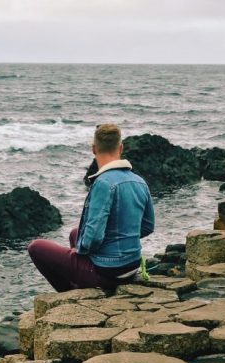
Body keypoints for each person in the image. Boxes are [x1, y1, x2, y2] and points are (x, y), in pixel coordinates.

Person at [28, 122, 155, 292]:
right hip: (130, 266)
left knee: (36, 247)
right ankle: (81, 284)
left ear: (94, 149)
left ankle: (69, 294)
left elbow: (93, 238)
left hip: (107, 272)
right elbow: (148, 226)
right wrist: (122, 239)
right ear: (121, 147)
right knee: (75, 232)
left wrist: (80, 251)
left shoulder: (103, 183)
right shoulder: (140, 182)